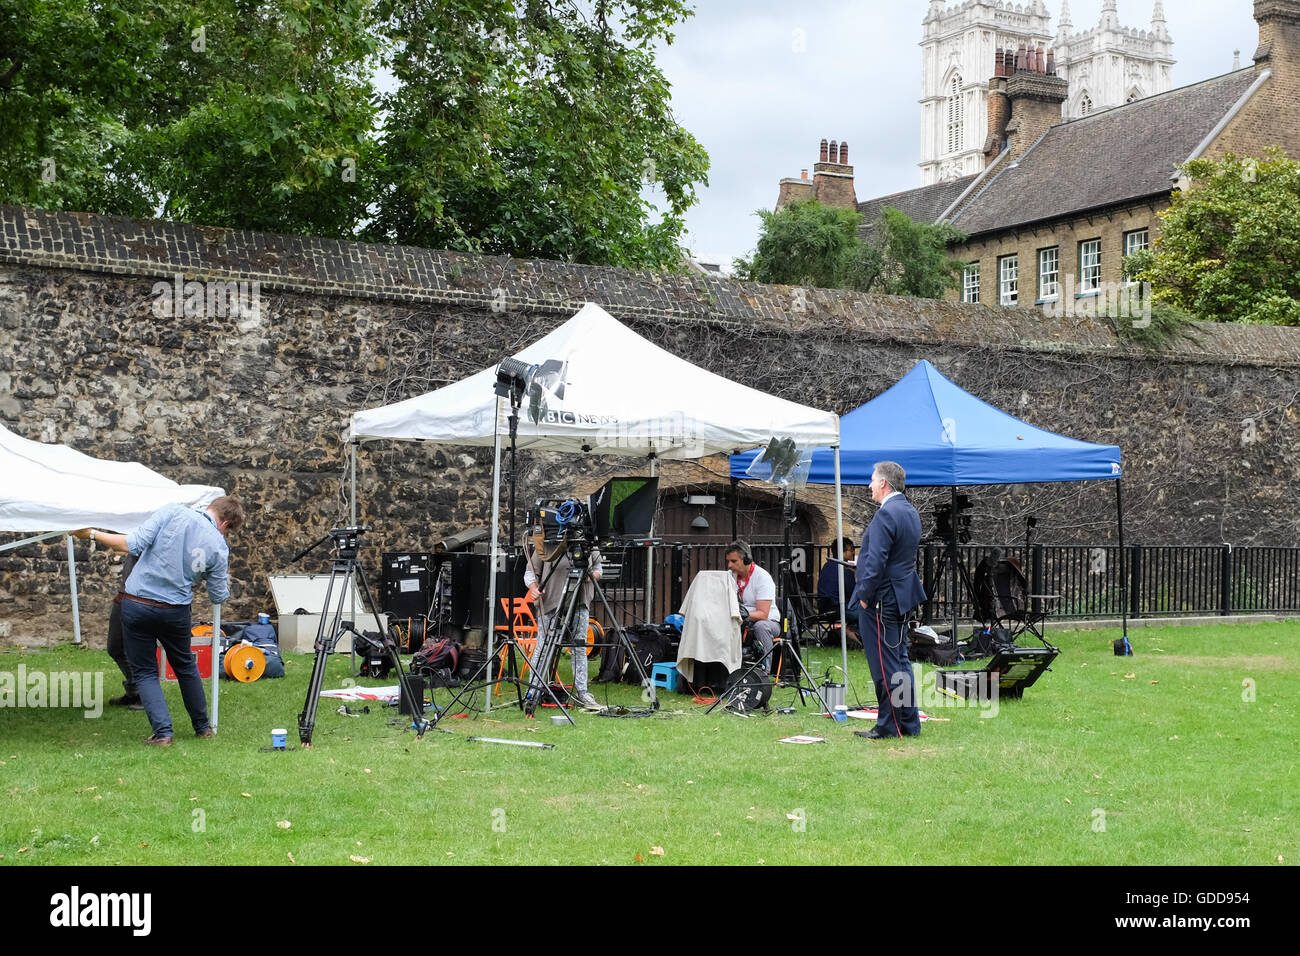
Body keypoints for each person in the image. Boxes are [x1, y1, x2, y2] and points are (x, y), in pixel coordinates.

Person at [74, 496, 245, 746]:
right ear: (225, 523)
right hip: (175, 610)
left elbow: (132, 544)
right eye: (228, 531)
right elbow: (218, 595)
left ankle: (163, 733)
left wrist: (91, 534)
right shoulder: (219, 546)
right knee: (185, 667)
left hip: (138, 603)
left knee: (145, 672)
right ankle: (202, 727)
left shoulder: (173, 512)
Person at [851, 462, 926, 739]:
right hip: (902, 594)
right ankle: (908, 723)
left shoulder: (885, 515)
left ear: (883, 483)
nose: (869, 485)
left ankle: (889, 725)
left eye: (872, 480)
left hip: (882, 597)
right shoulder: (910, 512)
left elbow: (877, 562)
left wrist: (865, 597)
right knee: (900, 660)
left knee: (884, 664)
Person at [523, 531, 602, 710]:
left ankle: (582, 692)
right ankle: (533, 691)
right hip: (550, 602)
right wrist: (534, 588)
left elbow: (599, 569)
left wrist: (590, 578)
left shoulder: (587, 544)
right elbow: (530, 573)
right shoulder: (546, 545)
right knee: (542, 647)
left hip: (579, 602)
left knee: (579, 647)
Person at [724, 541, 780, 667]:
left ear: (746, 560)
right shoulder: (729, 577)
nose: (729, 565)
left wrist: (741, 614)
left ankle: (764, 670)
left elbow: (763, 614)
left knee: (761, 626)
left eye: (734, 561)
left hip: (769, 621)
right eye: (728, 561)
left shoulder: (762, 578)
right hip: (741, 619)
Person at [817, 536, 857, 612]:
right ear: (843, 551)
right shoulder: (845, 569)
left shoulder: (827, 566)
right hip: (839, 608)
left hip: (824, 608)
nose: (853, 552)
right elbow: (852, 593)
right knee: (867, 613)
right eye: (851, 550)